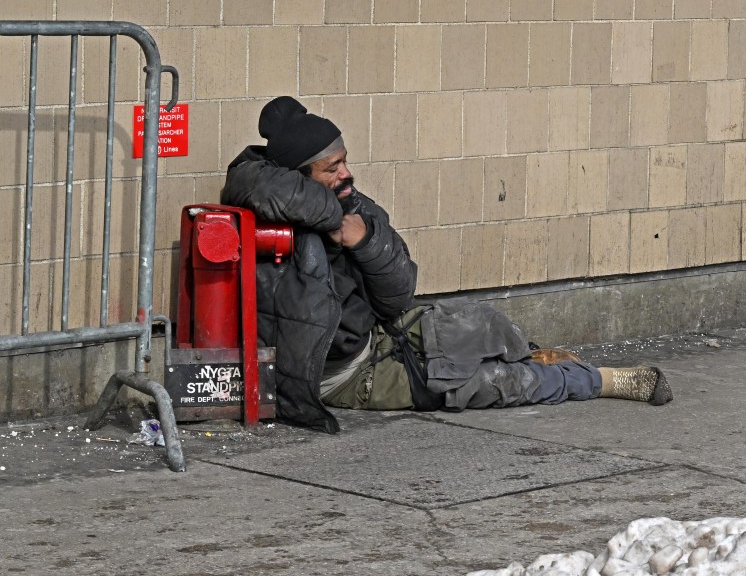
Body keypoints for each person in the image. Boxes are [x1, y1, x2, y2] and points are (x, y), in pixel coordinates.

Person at [221, 96, 672, 432]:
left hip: (379, 333)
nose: (346, 175)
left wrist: (364, 241)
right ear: (298, 175)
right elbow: (255, 181)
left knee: (484, 324)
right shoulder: (267, 205)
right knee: (484, 384)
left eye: (345, 162)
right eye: (330, 168)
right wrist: (335, 219)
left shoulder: (356, 207)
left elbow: (399, 293)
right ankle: (604, 380)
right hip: (340, 373)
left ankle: (528, 353)